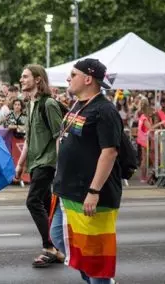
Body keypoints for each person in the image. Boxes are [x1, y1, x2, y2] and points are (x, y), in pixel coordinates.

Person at [50, 58, 122, 284]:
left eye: (73, 74)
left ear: (88, 78)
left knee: (94, 258)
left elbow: (109, 152)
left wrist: (94, 190)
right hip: (68, 190)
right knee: (60, 239)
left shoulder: (104, 110)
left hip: (89, 193)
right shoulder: (78, 104)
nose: (68, 79)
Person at [15, 64, 66, 268]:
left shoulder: (49, 104)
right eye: (21, 76)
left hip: (48, 162)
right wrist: (20, 164)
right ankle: (56, 249)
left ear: (37, 79)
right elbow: (28, 138)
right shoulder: (30, 104)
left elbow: (59, 137)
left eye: (25, 76)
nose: (21, 79)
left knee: (33, 201)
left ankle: (49, 247)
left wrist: (61, 167)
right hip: (35, 163)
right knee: (45, 206)